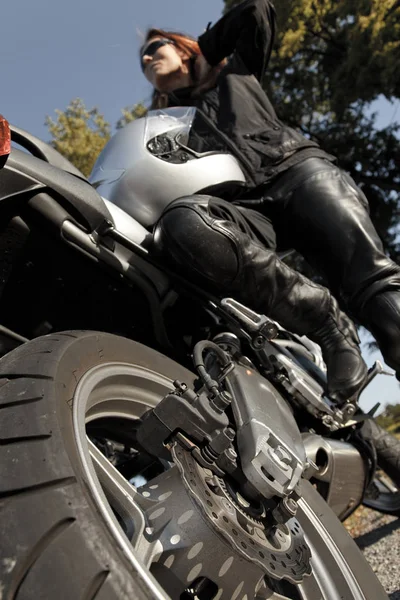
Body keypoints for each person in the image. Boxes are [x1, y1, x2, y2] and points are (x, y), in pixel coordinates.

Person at [139, 0, 400, 403]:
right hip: (246, 206)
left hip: (295, 170)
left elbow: (257, 10)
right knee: (184, 224)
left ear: (183, 48)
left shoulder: (235, 71)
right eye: (144, 58)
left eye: (156, 47)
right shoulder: (164, 126)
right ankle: (324, 321)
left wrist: (209, 49)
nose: (147, 57)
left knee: (372, 283)